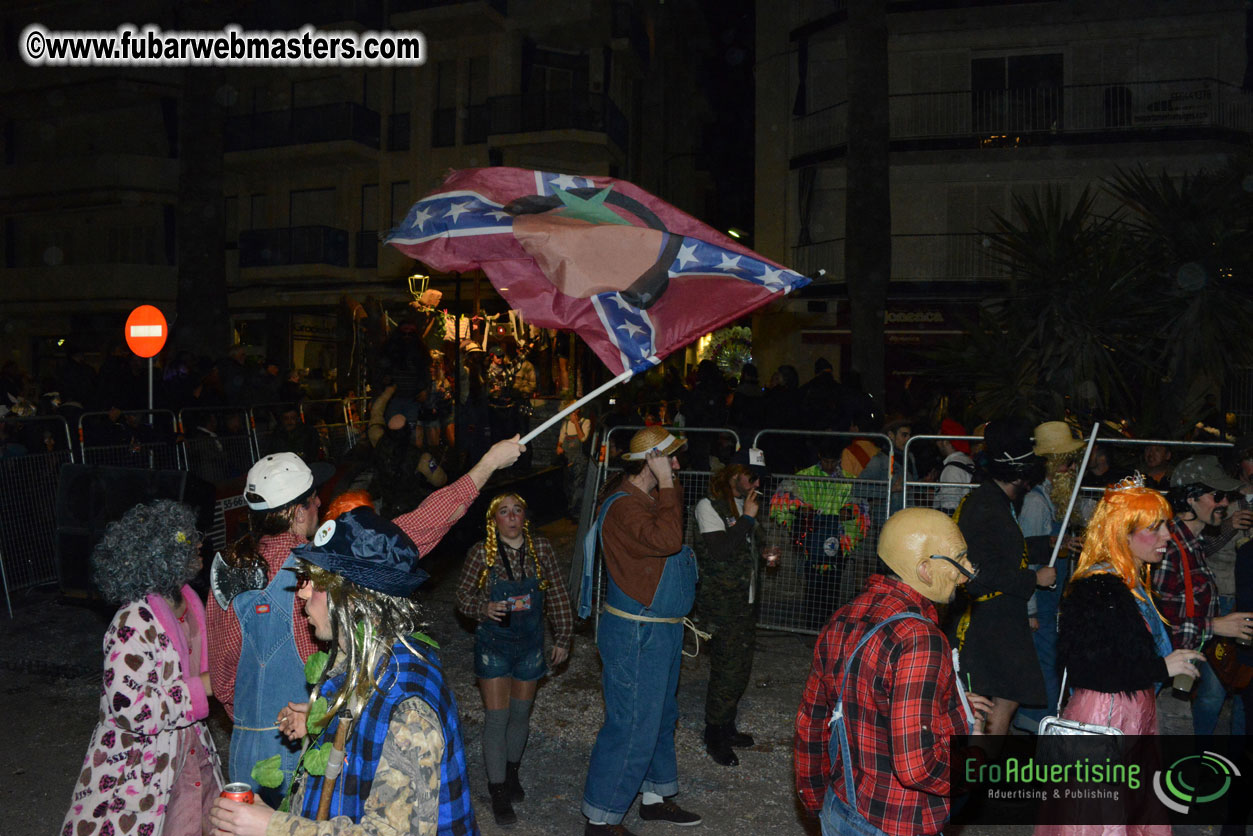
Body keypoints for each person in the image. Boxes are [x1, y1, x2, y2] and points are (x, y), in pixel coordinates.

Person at [207, 439, 524, 802]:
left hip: (248, 750)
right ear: (298, 512)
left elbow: (223, 681)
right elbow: (420, 527)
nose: (319, 507)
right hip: (310, 745)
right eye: (314, 502)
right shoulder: (327, 566)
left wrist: (259, 723)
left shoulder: (229, 571)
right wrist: (488, 464)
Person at [209, 507, 480, 836]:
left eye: (315, 581)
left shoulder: (409, 711)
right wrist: (321, 718)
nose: (303, 593)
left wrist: (273, 828)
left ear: (354, 599)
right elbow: (362, 741)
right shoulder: (363, 664)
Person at [795, 507, 991, 836]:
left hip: (842, 805)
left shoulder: (846, 616)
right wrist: (976, 759)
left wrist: (816, 799)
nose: (966, 573)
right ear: (925, 570)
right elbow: (917, 767)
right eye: (959, 561)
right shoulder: (922, 639)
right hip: (897, 821)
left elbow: (814, 719)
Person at [1037, 475, 1204, 836]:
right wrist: (1163, 666)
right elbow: (1089, 668)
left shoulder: (1129, 583)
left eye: (1165, 527)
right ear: (1122, 533)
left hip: (1132, 714)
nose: (1166, 537)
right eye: (1155, 528)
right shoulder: (1098, 587)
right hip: (1105, 718)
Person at [61, 500, 221, 836]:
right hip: (140, 767)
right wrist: (202, 686)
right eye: (187, 540)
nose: (198, 544)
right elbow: (129, 709)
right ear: (163, 554)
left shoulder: (189, 600)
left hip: (189, 748)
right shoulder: (131, 623)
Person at [579, 426, 702, 835]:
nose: (677, 465)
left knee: (661, 716)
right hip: (636, 632)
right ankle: (600, 819)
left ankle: (653, 798)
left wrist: (666, 484)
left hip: (660, 629)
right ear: (651, 461)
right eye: (671, 458)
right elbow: (668, 540)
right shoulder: (624, 507)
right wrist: (667, 482)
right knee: (631, 723)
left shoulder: (648, 498)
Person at [455, 492, 574, 826]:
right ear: (494, 520)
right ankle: (496, 792)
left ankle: (511, 775)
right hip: (494, 646)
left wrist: (563, 637)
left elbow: (559, 593)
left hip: (531, 646)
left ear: (524, 517)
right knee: (497, 718)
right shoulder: (482, 553)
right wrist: (482, 608)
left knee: (520, 714)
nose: (511, 518)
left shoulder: (542, 549)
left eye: (516, 511)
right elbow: (462, 596)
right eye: (503, 512)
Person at [951, 418, 1054, 737]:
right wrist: (1033, 580)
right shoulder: (985, 506)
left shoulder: (994, 501)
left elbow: (1005, 549)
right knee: (990, 706)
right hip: (987, 623)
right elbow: (979, 569)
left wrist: (1048, 545)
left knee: (1003, 701)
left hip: (1001, 620)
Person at [1155, 455, 1253, 736]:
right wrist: (1215, 625)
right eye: (1217, 495)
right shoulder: (1169, 545)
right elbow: (1159, 623)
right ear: (1189, 498)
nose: (1225, 503)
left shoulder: (1192, 542)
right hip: (1161, 679)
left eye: (1226, 496)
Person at [692, 461, 764, 767]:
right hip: (721, 604)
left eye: (758, 477)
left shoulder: (747, 508)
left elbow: (745, 549)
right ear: (733, 474)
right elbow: (720, 550)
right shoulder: (709, 506)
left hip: (744, 603)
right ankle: (714, 734)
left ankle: (727, 726)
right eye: (750, 475)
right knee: (725, 670)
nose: (755, 482)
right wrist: (747, 519)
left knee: (740, 668)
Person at [1014, 420, 1084, 734]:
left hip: (1052, 598)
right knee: (1045, 664)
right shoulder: (1035, 503)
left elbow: (1044, 546)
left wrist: (1063, 543)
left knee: (1049, 661)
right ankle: (1042, 726)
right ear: (1055, 465)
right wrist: (1029, 612)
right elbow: (1026, 558)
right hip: (1038, 599)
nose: (1073, 469)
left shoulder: (1053, 501)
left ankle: (1039, 722)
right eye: (1069, 463)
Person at [772, 437, 869, 630]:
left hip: (838, 543)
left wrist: (849, 512)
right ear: (819, 457)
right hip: (811, 543)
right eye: (826, 461)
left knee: (833, 587)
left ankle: (828, 628)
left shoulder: (849, 480)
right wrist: (801, 510)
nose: (830, 466)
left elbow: (862, 505)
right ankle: (811, 627)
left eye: (834, 462)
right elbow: (783, 498)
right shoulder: (805, 477)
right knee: (813, 586)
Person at [557, 400, 593, 519]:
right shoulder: (566, 424)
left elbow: (583, 439)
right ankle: (569, 510)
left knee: (579, 486)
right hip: (567, 460)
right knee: (568, 486)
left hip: (580, 460)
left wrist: (576, 423)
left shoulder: (586, 422)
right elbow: (561, 441)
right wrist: (559, 447)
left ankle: (577, 513)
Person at [934, 418, 975, 514]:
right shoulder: (968, 462)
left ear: (946, 442)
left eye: (939, 439)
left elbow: (949, 506)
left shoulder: (952, 469)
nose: (937, 443)